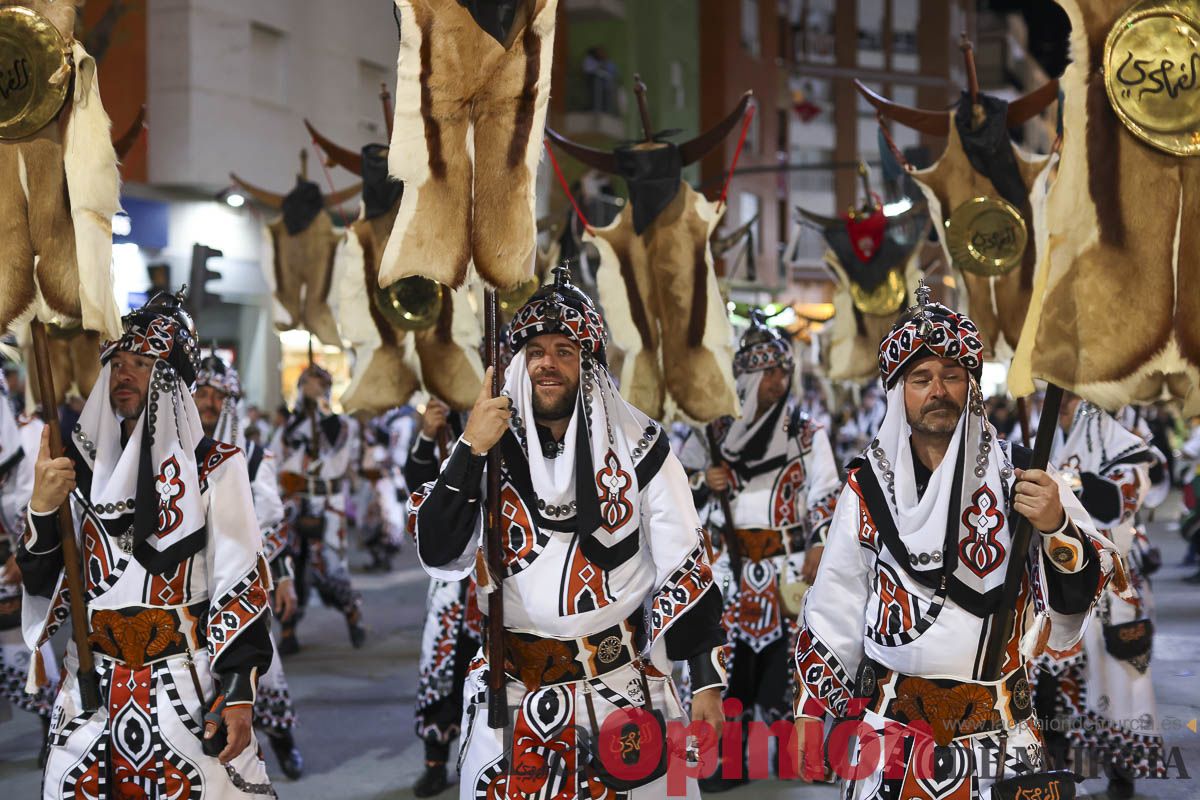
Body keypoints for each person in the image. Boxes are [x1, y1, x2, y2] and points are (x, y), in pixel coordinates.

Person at [407, 266, 727, 798]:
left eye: (564, 349)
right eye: (534, 351)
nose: (547, 364)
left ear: (591, 362)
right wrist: (468, 450)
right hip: (508, 694)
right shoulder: (486, 441)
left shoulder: (640, 444)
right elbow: (438, 553)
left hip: (615, 687)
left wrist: (706, 680)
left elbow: (685, 561)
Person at [792, 285, 1115, 800]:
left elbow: (1085, 584)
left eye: (952, 375)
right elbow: (837, 599)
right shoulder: (867, 486)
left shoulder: (1022, 472)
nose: (937, 389)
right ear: (899, 392)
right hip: (891, 734)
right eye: (920, 378)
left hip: (1001, 733)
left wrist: (1056, 524)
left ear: (971, 386)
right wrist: (811, 712)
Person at [18, 291, 274, 797]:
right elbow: (43, 577)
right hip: (91, 688)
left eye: (141, 363)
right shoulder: (78, 468)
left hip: (185, 687)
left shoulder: (216, 467)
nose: (124, 375)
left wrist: (240, 693)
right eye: (117, 362)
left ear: (169, 379)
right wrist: (43, 508)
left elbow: (239, 582)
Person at [681, 312, 841, 791]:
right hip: (726, 570)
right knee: (725, 666)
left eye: (783, 371)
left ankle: (797, 759)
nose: (778, 380)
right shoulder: (711, 430)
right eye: (768, 371)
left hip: (787, 567)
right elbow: (669, 489)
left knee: (789, 665)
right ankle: (726, 764)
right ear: (746, 375)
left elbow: (827, 491)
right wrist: (701, 481)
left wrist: (819, 542)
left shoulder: (805, 431)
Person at [1033, 396, 1167, 799]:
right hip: (1068, 586)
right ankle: (1057, 767)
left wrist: (1068, 486)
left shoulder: (1129, 452)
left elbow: (1116, 503)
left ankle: (1120, 777)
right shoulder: (1053, 446)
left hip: (1116, 594)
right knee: (1053, 684)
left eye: (1073, 400)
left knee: (1119, 687)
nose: (1063, 407)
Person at [194, 353, 304, 780]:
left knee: (265, 670)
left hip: (241, 581)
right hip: (191, 584)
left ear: (230, 402)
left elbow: (272, 523)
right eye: (200, 393)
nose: (207, 402)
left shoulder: (254, 455)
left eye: (216, 395)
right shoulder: (174, 452)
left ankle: (284, 743)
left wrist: (285, 578)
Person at [403, 397, 479, 797]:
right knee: (441, 661)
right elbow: (417, 486)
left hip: (513, 564)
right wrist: (428, 434)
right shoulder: (448, 416)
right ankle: (435, 759)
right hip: (454, 572)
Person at [270, 364, 365, 653]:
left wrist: (321, 418)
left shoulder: (343, 426)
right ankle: (288, 629)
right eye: (306, 384)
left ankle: (352, 611)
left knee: (330, 567)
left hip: (328, 505)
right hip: (295, 502)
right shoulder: (287, 428)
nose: (310, 390)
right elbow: (275, 462)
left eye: (317, 384)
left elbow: (340, 452)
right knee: (288, 564)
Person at [0, 374, 54, 762]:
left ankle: (50, 728)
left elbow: (31, 496)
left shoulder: (31, 431)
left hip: (11, 555)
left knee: (26, 644)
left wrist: (22, 551)